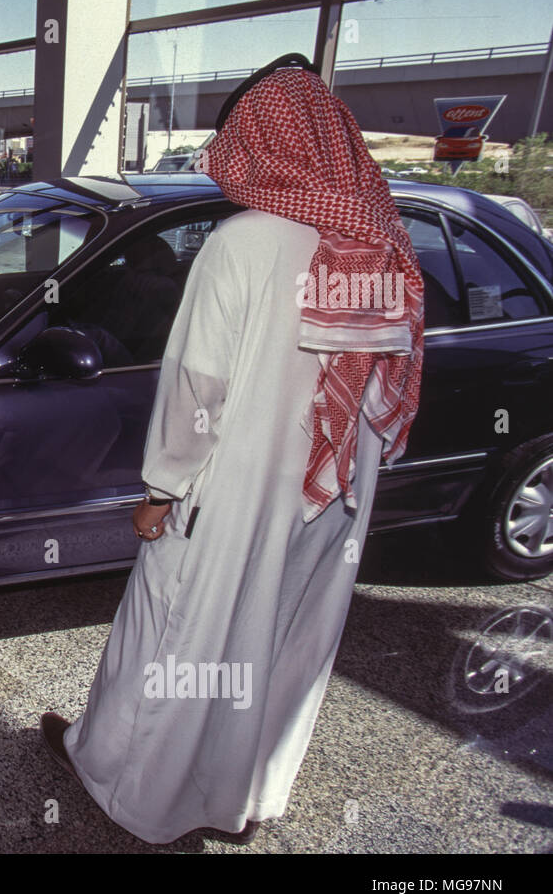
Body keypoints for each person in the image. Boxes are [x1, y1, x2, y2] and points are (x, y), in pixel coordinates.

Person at [40, 55, 425, 845]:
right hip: (332, 495)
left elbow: (198, 391)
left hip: (234, 491)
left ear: (261, 140)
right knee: (281, 642)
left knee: (178, 638)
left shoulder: (244, 243)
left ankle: (128, 790)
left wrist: (161, 489)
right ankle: (241, 799)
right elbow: (383, 383)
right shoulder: (380, 238)